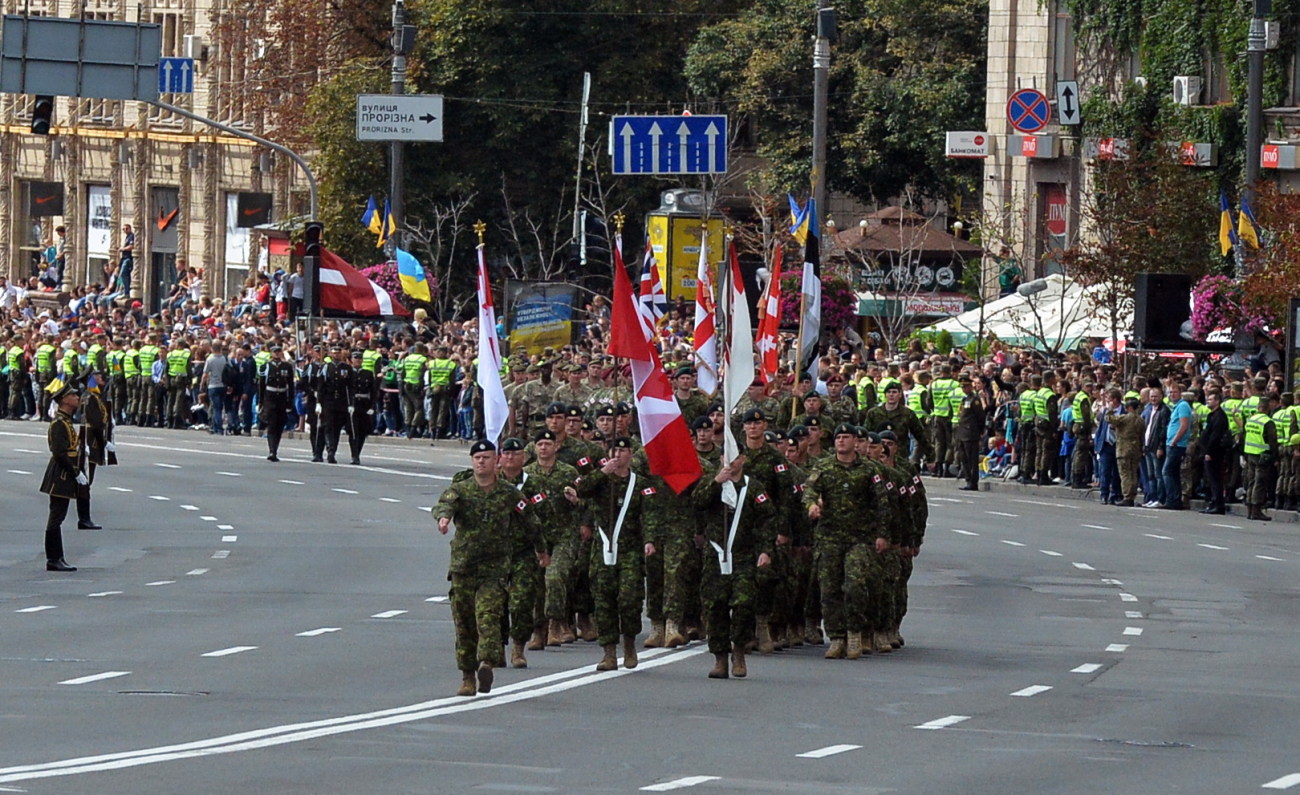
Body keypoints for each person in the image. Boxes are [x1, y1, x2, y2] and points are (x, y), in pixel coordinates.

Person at [434, 440, 548, 696]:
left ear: (496, 461)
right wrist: (443, 519)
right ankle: (467, 676)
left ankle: (487, 663)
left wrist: (541, 550)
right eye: (477, 458)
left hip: (494, 569)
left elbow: (531, 520)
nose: (481, 462)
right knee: (464, 624)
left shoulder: (508, 493)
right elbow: (445, 504)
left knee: (489, 617)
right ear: (472, 461)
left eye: (486, 457)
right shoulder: (461, 490)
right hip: (463, 568)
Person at [693, 452, 775, 679]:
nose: (731, 461)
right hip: (716, 555)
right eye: (726, 456)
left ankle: (738, 650)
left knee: (744, 603)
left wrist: (766, 550)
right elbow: (697, 502)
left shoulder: (753, 487)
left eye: (736, 457)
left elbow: (767, 518)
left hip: (744, 554)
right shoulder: (712, 482)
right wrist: (716, 482)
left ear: (744, 460)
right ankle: (720, 657)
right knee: (715, 606)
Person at [577, 436, 650, 672]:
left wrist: (650, 540)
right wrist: (602, 472)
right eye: (614, 451)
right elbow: (583, 490)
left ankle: (629, 644)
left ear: (631, 454)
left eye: (623, 451)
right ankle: (609, 652)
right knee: (604, 600)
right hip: (603, 548)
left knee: (629, 599)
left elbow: (650, 515)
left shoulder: (640, 484)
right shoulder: (601, 480)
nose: (618, 455)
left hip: (629, 549)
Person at [39, 378, 84, 572]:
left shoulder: (65, 421)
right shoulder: (59, 423)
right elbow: (59, 452)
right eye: (73, 395)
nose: (77, 398)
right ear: (65, 400)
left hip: (65, 473)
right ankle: (53, 558)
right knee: (56, 517)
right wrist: (75, 472)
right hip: (61, 474)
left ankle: (58, 557)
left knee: (59, 516)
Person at [1243, 393, 1279, 522]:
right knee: (1260, 482)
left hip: (1250, 453)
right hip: (1262, 455)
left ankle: (1249, 509)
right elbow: (1272, 442)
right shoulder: (1268, 422)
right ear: (1268, 407)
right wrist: (1274, 457)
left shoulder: (1251, 419)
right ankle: (1256, 509)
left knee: (1251, 481)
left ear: (1258, 407)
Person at [258, 343, 294, 461]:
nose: (277, 353)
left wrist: (290, 401)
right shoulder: (266, 367)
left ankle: (275, 448)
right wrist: (261, 402)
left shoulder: (286, 367)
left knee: (280, 424)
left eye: (279, 351)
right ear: (271, 353)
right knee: (272, 424)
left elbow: (290, 385)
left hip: (282, 397)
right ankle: (272, 451)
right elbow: (262, 385)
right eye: (275, 351)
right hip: (270, 397)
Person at [1161, 382, 1192, 510]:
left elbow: (1184, 425)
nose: (1172, 395)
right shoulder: (1176, 406)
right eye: (1170, 392)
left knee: (1167, 471)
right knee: (1173, 473)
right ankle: (1176, 499)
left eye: (1174, 392)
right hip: (1172, 443)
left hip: (1177, 444)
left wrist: (1175, 440)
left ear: (1181, 393)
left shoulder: (1183, 406)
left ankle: (1172, 499)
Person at [1200, 389, 1231, 515]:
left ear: (1218, 401)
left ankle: (1218, 504)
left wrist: (1209, 451)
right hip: (1209, 451)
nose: (1208, 401)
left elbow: (1215, 436)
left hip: (1215, 452)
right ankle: (1213, 502)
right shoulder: (1211, 415)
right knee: (1211, 479)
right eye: (1207, 399)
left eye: (1211, 399)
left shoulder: (1220, 416)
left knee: (1215, 479)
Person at [955, 375, 988, 491]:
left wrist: (980, 431)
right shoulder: (965, 399)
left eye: (966, 386)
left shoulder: (975, 400)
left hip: (971, 432)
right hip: (962, 432)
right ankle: (968, 479)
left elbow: (980, 417)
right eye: (962, 387)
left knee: (971, 459)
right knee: (964, 458)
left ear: (970, 387)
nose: (964, 389)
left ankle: (973, 482)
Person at [347, 349, 378, 465]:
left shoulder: (368, 373)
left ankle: (357, 453)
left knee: (362, 431)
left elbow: (373, 392)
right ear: (351, 360)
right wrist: (349, 404)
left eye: (360, 359)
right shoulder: (349, 373)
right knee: (353, 431)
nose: (358, 361)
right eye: (356, 358)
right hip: (353, 404)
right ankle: (354, 455)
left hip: (364, 404)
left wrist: (372, 406)